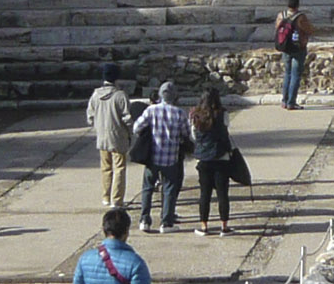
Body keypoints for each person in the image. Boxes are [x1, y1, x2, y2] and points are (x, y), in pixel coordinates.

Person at [136, 79, 193, 233]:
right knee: (169, 189)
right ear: (174, 96)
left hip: (152, 156)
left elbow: (136, 128)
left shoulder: (151, 110)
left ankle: (144, 219)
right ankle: (166, 222)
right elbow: (187, 134)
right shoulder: (179, 113)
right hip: (171, 157)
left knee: (147, 188)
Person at [192, 91, 247, 235]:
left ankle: (204, 226)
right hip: (221, 157)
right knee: (223, 194)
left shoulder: (195, 114)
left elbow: (193, 135)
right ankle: (224, 226)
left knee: (205, 194)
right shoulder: (222, 114)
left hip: (203, 159)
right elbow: (226, 129)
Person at [86, 65, 135, 208]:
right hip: (118, 136)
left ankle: (105, 196)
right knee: (119, 167)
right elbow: (127, 118)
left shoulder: (95, 95)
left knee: (105, 167)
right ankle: (117, 199)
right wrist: (131, 131)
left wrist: (98, 126)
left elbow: (90, 117)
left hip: (102, 137)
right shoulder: (120, 95)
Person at [275, 0, 314, 110]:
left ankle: (284, 101)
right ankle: (291, 102)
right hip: (298, 48)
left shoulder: (281, 15)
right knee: (295, 74)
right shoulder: (300, 17)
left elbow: (277, 29)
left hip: (285, 47)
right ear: (298, 5)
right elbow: (309, 30)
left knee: (287, 73)